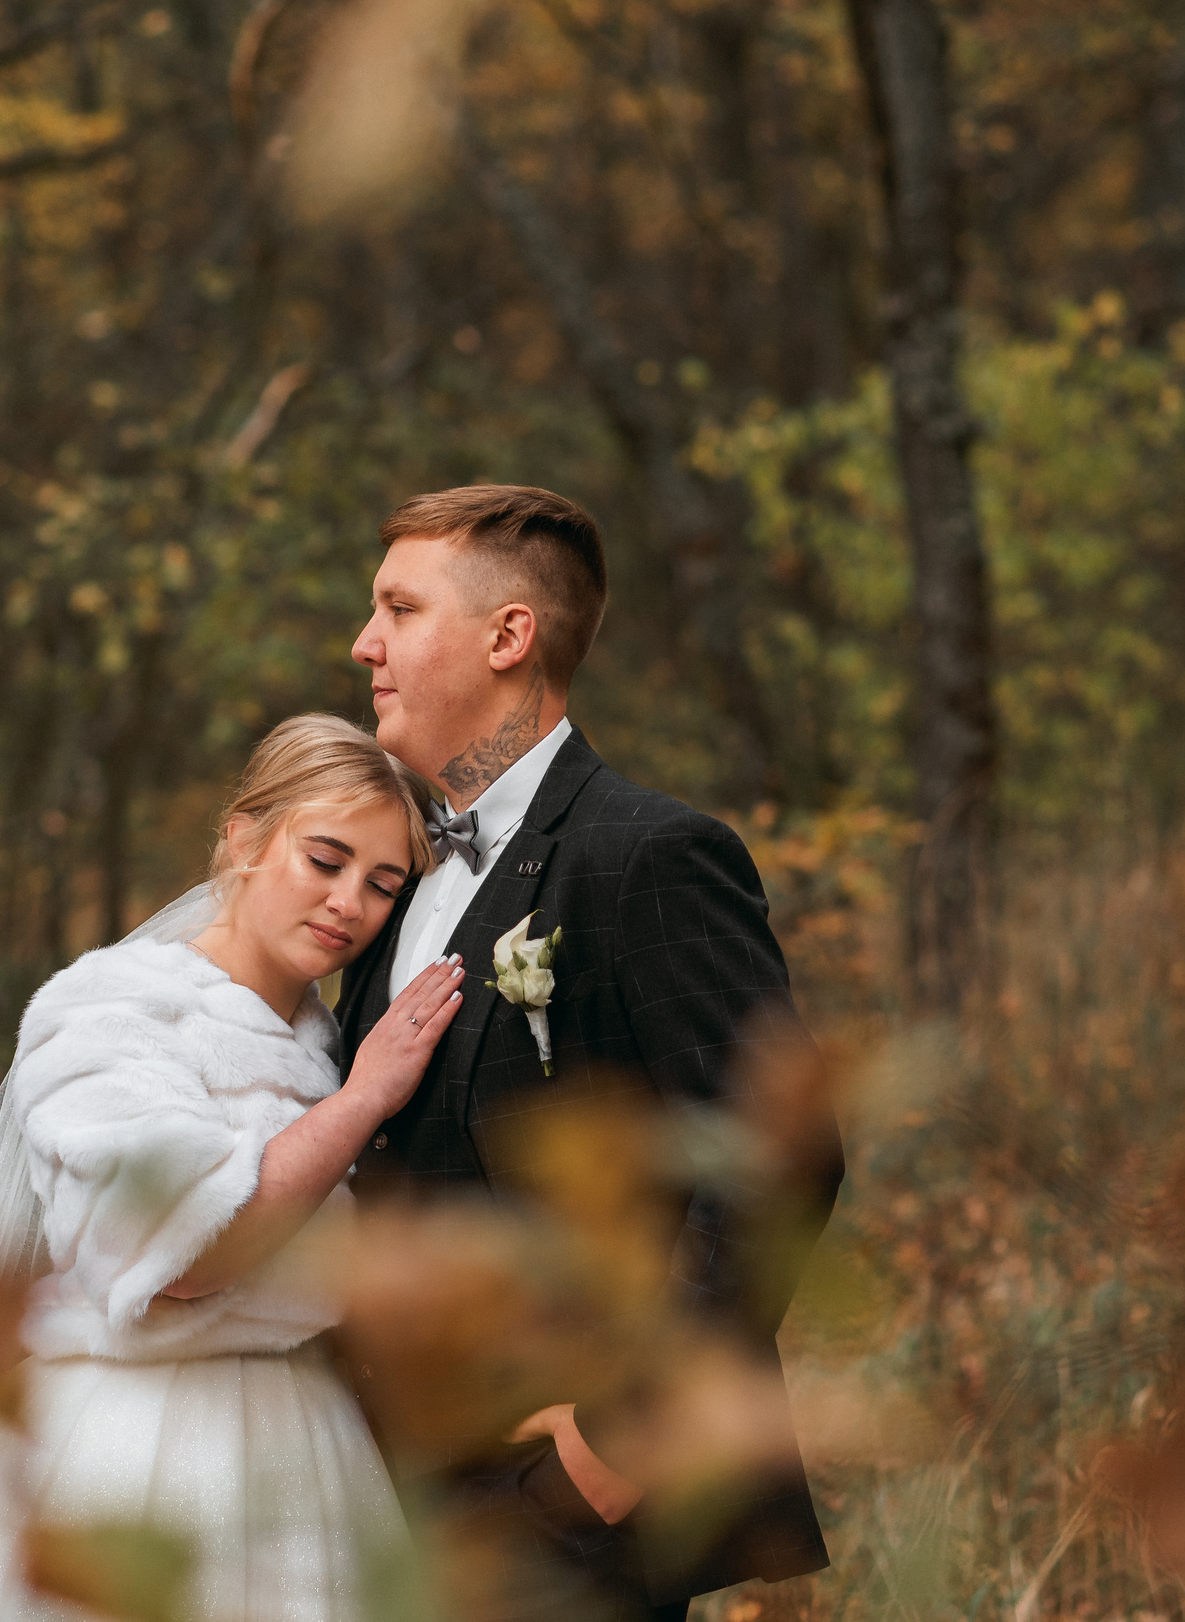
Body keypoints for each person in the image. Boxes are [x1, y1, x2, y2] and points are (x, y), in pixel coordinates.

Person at [0, 715, 468, 1622]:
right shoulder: (113, 1010)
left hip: (307, 1447)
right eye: (325, 859)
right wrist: (364, 1100)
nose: (349, 901)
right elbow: (182, 1254)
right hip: (129, 1446)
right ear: (244, 839)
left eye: (382, 884)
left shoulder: (326, 1046)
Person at [336, 484, 845, 1622]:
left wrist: (614, 1455)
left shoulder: (648, 857)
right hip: (387, 1497)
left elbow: (780, 1158)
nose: (365, 643)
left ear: (508, 635)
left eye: (400, 610)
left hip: (566, 1517)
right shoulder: (393, 874)